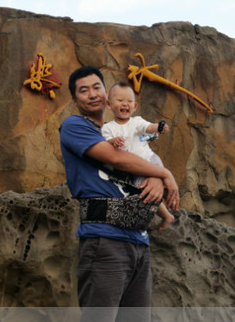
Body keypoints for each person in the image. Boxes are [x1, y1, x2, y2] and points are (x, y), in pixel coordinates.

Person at [59, 66, 180, 321]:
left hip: (139, 241)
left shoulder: (124, 131)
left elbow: (142, 161)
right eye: (83, 90)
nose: (91, 94)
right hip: (104, 241)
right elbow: (115, 158)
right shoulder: (74, 125)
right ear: (74, 99)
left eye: (96, 87)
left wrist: (156, 177)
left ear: (105, 94)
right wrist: (165, 175)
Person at [101, 81, 175, 232]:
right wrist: (113, 141)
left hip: (149, 160)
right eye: (120, 101)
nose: (125, 104)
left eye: (129, 101)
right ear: (109, 104)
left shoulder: (137, 121)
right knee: (146, 191)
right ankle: (166, 215)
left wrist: (158, 127)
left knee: (156, 188)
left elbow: (148, 128)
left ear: (134, 107)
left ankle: (169, 205)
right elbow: (105, 143)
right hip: (133, 168)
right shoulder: (108, 127)